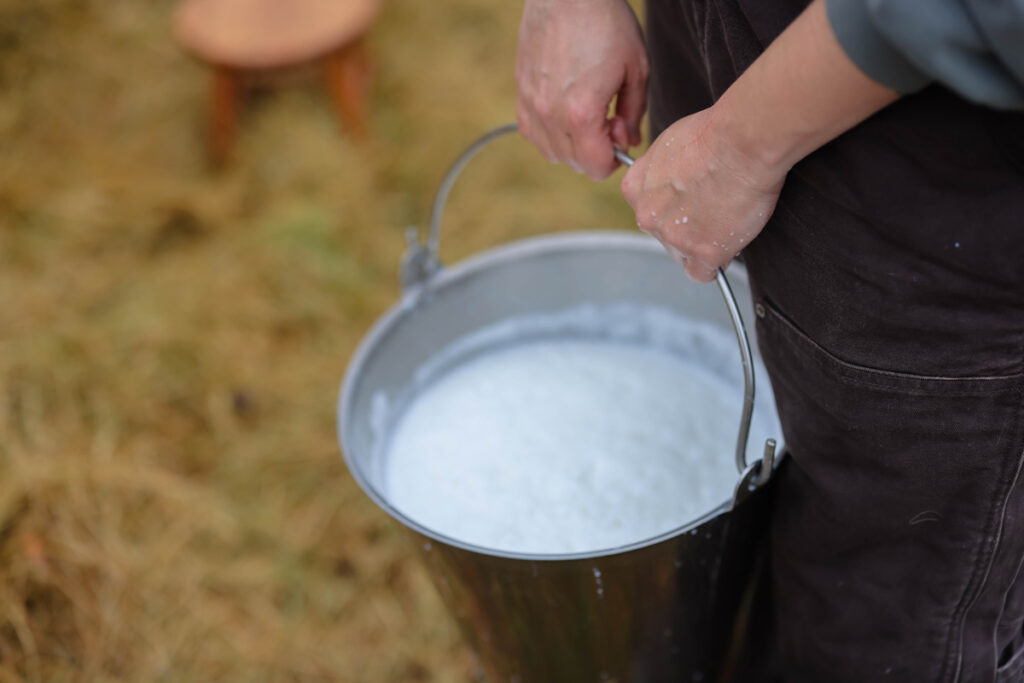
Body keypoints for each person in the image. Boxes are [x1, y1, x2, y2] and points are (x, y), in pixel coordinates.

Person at [515, 0, 1024, 680]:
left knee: (882, 625)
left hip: (924, 158)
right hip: (723, 48)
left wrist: (744, 143)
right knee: (743, 560)